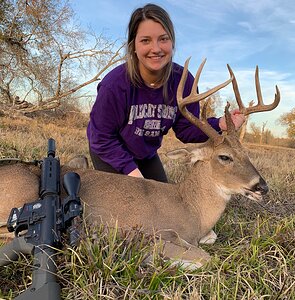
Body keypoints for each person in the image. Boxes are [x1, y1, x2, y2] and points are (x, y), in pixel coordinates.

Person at [87, 3, 245, 183]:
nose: (156, 48)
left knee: (164, 199)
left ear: (172, 42)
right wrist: (133, 174)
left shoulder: (183, 81)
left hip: (145, 155)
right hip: (110, 152)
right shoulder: (115, 85)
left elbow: (186, 130)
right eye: (145, 40)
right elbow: (101, 138)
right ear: (133, 46)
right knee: (134, 203)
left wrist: (221, 123)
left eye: (163, 39)